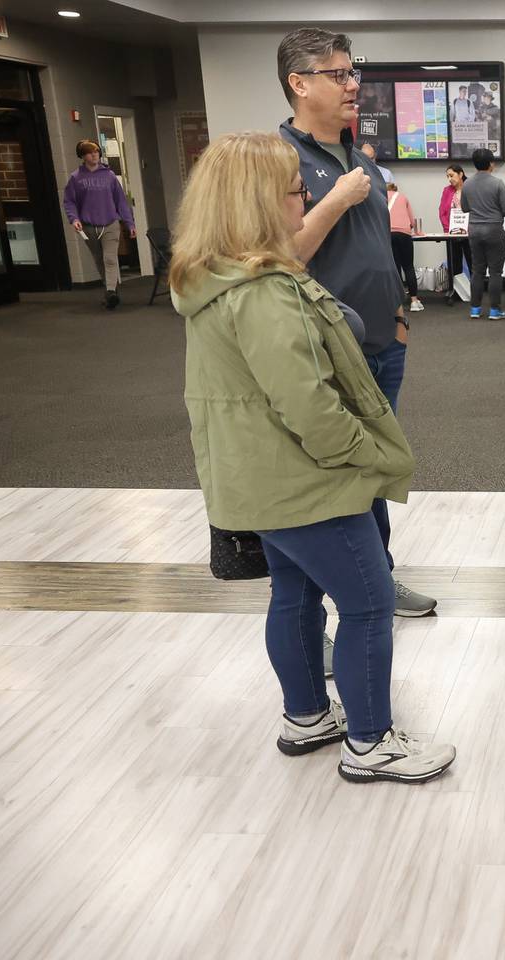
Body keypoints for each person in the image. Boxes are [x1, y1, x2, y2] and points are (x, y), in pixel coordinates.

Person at [171, 131, 455, 784]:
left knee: (295, 595)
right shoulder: (262, 292)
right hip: (306, 482)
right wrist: (365, 457)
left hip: (261, 479)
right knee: (367, 603)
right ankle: (371, 742)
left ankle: (306, 717)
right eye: (299, 189)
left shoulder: (218, 279)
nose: (308, 198)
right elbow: (310, 408)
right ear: (260, 201)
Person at [275, 26, 436, 617]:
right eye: (337, 75)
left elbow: (375, 245)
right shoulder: (279, 158)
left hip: (382, 342)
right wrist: (337, 199)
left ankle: (378, 579)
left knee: (374, 473)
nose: (352, 86)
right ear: (299, 83)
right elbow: (281, 255)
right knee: (333, 481)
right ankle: (332, 598)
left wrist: (397, 315)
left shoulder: (356, 155)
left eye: (352, 73)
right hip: (326, 350)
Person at [62, 138, 135, 310]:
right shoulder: (76, 178)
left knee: (110, 258)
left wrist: (129, 223)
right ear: (82, 156)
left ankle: (110, 292)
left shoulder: (109, 176)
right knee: (99, 259)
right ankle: (111, 290)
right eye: (89, 152)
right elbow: (69, 202)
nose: (94, 155)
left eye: (96, 151)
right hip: (88, 226)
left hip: (110, 223)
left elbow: (121, 202)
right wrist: (75, 219)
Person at [460, 147, 505, 320]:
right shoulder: (497, 183)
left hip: (474, 230)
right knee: (496, 272)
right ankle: (495, 311)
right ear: (491, 164)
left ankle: (475, 309)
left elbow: (464, 208)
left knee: (477, 271)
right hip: (494, 230)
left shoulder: (467, 184)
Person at [386, 182, 423, 313]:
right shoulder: (403, 197)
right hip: (404, 234)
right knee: (408, 267)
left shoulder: (381, 197)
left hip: (388, 234)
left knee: (396, 268)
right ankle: (414, 301)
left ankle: (398, 303)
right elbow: (412, 221)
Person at [438, 164, 473, 303]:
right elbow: (442, 212)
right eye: (447, 176)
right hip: (452, 233)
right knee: (454, 262)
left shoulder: (471, 188)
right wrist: (448, 230)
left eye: (451, 175)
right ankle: (455, 291)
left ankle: (475, 291)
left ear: (461, 174)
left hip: (470, 232)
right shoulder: (447, 191)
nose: (449, 179)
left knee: (473, 262)